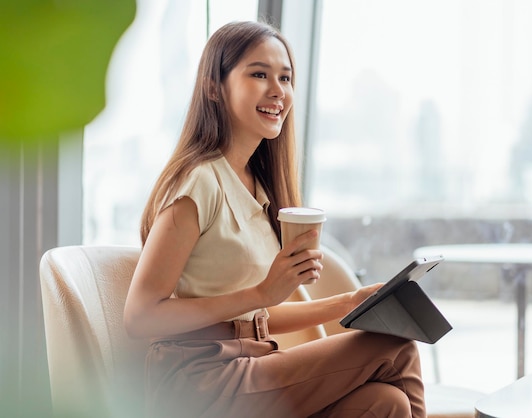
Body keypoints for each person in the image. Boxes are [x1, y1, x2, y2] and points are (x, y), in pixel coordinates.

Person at [123, 20, 426, 418]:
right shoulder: (198, 182)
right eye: (259, 74)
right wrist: (260, 294)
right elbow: (141, 316)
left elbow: (250, 318)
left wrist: (348, 303)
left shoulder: (256, 190)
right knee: (394, 344)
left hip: (248, 364)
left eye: (285, 77)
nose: (278, 90)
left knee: (386, 404)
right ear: (214, 87)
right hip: (198, 383)